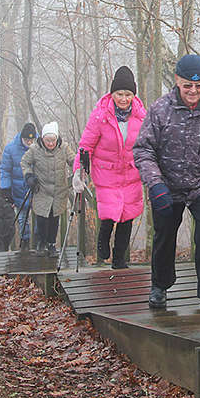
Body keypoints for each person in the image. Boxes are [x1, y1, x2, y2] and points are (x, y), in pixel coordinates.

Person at [133, 53, 200, 310]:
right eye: (188, 86)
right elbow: (143, 150)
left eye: (199, 86)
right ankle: (160, 285)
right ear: (177, 82)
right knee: (165, 234)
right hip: (166, 185)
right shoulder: (160, 109)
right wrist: (155, 183)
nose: (194, 91)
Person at [78, 66, 146, 269]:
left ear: (133, 95)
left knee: (127, 217)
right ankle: (102, 242)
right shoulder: (100, 115)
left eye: (128, 94)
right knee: (109, 213)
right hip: (106, 172)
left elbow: (149, 144)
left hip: (131, 173)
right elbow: (85, 146)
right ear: (112, 93)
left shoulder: (142, 116)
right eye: (119, 94)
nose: (124, 99)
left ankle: (119, 260)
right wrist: (79, 172)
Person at [20, 121, 77, 257]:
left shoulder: (64, 148)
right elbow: (24, 162)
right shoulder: (35, 149)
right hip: (42, 189)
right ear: (42, 139)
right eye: (47, 140)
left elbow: (74, 160)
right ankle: (41, 242)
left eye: (53, 140)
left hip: (59, 191)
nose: (50, 143)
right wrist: (28, 176)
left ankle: (51, 244)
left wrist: (78, 170)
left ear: (57, 139)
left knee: (54, 218)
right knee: (41, 218)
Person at [0, 122, 37, 252]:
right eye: (27, 139)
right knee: (22, 219)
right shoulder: (10, 149)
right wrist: (5, 189)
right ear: (22, 137)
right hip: (18, 190)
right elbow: (5, 170)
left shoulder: (40, 147)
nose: (29, 142)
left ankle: (38, 243)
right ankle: (25, 243)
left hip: (37, 190)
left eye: (31, 139)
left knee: (39, 217)